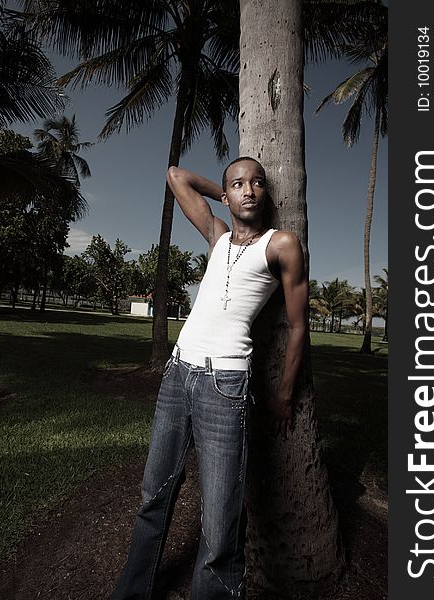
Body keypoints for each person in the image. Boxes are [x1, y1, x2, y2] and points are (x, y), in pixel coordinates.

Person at [110, 157, 308, 600]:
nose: (249, 190)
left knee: (220, 525)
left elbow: (298, 326)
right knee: (153, 498)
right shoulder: (217, 237)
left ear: (268, 193)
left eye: (258, 183)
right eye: (238, 184)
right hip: (178, 375)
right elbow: (177, 176)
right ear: (226, 194)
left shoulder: (280, 245)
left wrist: (284, 394)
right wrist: (220, 191)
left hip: (226, 385)